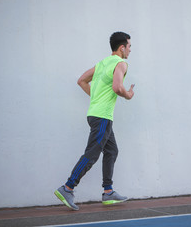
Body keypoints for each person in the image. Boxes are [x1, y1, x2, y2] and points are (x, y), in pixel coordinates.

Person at [54, 32, 134, 210]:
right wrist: (128, 95)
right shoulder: (121, 64)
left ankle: (108, 191)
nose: (130, 50)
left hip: (95, 114)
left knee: (112, 150)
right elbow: (117, 87)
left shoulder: (102, 63)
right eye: (129, 46)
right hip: (103, 116)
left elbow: (81, 80)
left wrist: (96, 97)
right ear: (122, 48)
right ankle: (68, 187)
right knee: (92, 153)